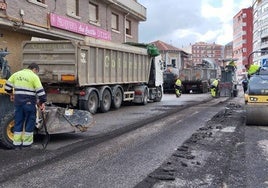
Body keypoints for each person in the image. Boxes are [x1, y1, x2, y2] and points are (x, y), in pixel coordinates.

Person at [4, 63, 46, 149]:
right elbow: (41, 94)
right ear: (35, 69)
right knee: (30, 122)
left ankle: (16, 145)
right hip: (29, 104)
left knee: (18, 122)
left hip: (18, 104)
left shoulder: (16, 74)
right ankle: (26, 145)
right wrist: (41, 102)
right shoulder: (34, 77)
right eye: (36, 72)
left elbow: (7, 88)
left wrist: (12, 94)